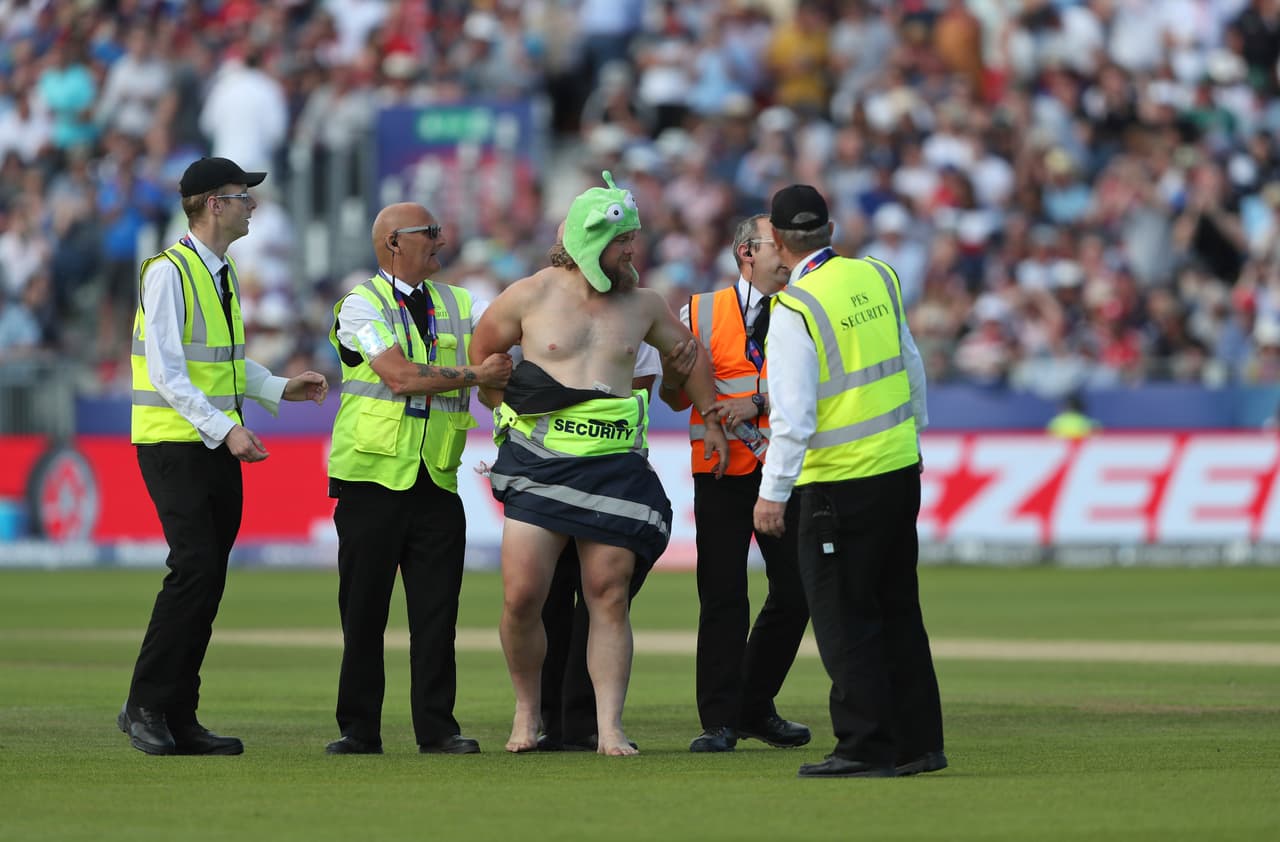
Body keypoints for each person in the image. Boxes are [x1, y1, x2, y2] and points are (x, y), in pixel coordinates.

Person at [470, 171, 729, 756]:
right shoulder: (529, 295)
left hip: (614, 466)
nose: (633, 250)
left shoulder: (643, 303)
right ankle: (525, 713)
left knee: (608, 594)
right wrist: (498, 399)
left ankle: (609, 726)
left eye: (634, 239)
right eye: (622, 241)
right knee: (521, 597)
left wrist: (710, 415)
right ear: (589, 242)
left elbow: (686, 356)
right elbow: (484, 351)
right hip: (538, 462)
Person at [121, 156, 330, 756]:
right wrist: (225, 428)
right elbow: (166, 371)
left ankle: (177, 714)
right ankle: (144, 706)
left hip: (208, 442)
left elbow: (226, 362)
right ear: (215, 203)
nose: (252, 206)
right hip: (176, 442)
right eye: (244, 196)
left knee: (205, 578)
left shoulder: (221, 272)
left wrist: (275, 388)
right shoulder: (169, 272)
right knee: (194, 570)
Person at [752, 184, 946, 779]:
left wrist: (771, 494)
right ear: (829, 229)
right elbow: (909, 360)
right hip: (895, 469)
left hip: (836, 483)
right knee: (898, 610)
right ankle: (919, 744)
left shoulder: (794, 308)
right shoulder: (879, 276)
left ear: (781, 242)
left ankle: (865, 745)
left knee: (844, 617)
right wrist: (914, 436)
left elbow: (793, 417)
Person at [323, 202, 513, 756]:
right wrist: (476, 373)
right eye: (428, 232)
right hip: (371, 480)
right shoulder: (360, 303)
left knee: (437, 615)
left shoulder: (459, 301)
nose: (440, 239)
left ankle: (437, 728)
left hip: (436, 480)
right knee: (364, 614)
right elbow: (399, 376)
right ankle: (359, 728)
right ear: (392, 244)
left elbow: (512, 323)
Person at [658, 213, 811, 754]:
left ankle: (752, 703)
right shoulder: (696, 311)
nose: (790, 252)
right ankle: (721, 720)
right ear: (747, 252)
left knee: (796, 592)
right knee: (722, 594)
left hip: (787, 467)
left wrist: (761, 402)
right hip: (721, 470)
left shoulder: (806, 304)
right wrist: (677, 375)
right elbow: (673, 399)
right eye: (780, 243)